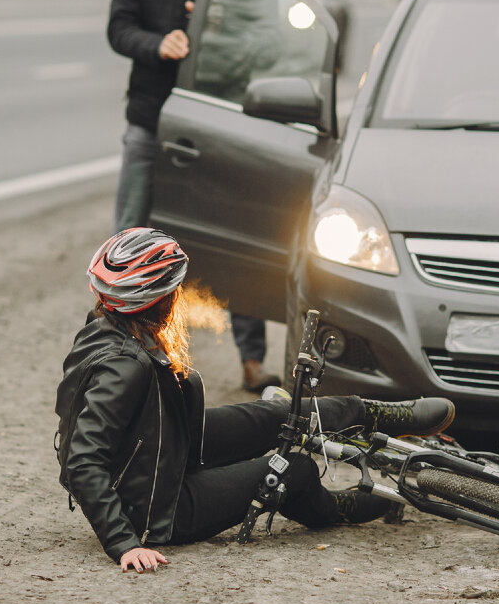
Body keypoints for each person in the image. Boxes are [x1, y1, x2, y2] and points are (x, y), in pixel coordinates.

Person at [54, 228, 456, 572]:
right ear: (156, 298)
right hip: (159, 508)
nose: (179, 296)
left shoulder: (109, 327)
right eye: (174, 289)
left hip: (167, 450)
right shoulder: (124, 366)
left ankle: (380, 414)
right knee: (292, 469)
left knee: (278, 414)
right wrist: (125, 543)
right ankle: (339, 508)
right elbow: (82, 457)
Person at [106, 0, 281, 393]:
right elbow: (118, 27)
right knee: (131, 234)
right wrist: (158, 43)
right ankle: (118, 346)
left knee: (239, 238)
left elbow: (269, 47)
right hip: (152, 118)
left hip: (224, 124)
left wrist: (216, 38)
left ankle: (252, 361)